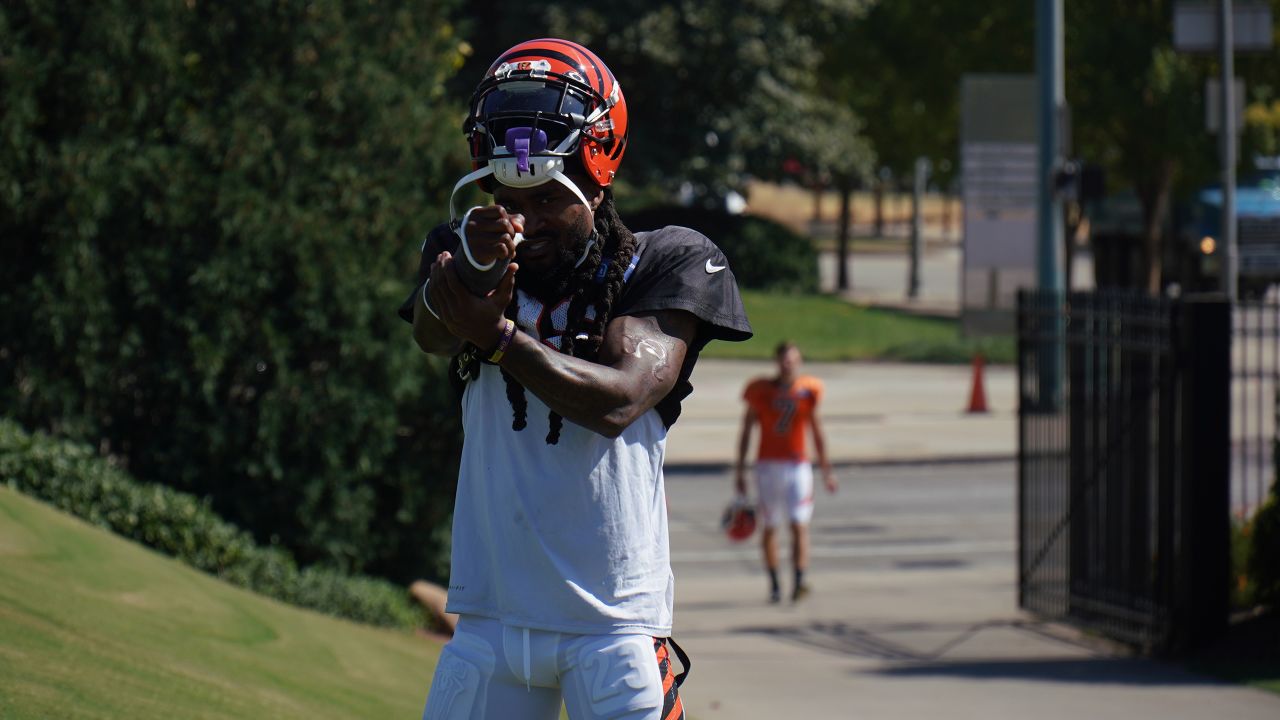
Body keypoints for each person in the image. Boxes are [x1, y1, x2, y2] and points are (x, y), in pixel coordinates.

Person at [400, 38, 752, 720]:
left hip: (611, 625)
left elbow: (620, 398)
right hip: (491, 617)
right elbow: (433, 333)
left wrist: (501, 338)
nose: (519, 218)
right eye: (505, 194)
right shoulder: (463, 250)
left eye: (541, 196)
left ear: (595, 176)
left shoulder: (664, 260)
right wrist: (471, 273)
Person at [734, 341, 837, 604]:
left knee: (799, 524)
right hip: (768, 465)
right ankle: (775, 582)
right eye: (784, 360)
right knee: (770, 525)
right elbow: (746, 431)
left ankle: (799, 580)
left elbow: (817, 432)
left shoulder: (808, 390)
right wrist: (740, 470)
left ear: (799, 362)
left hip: (798, 464)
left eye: (793, 360)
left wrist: (826, 470)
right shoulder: (760, 390)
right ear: (777, 362)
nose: (788, 365)